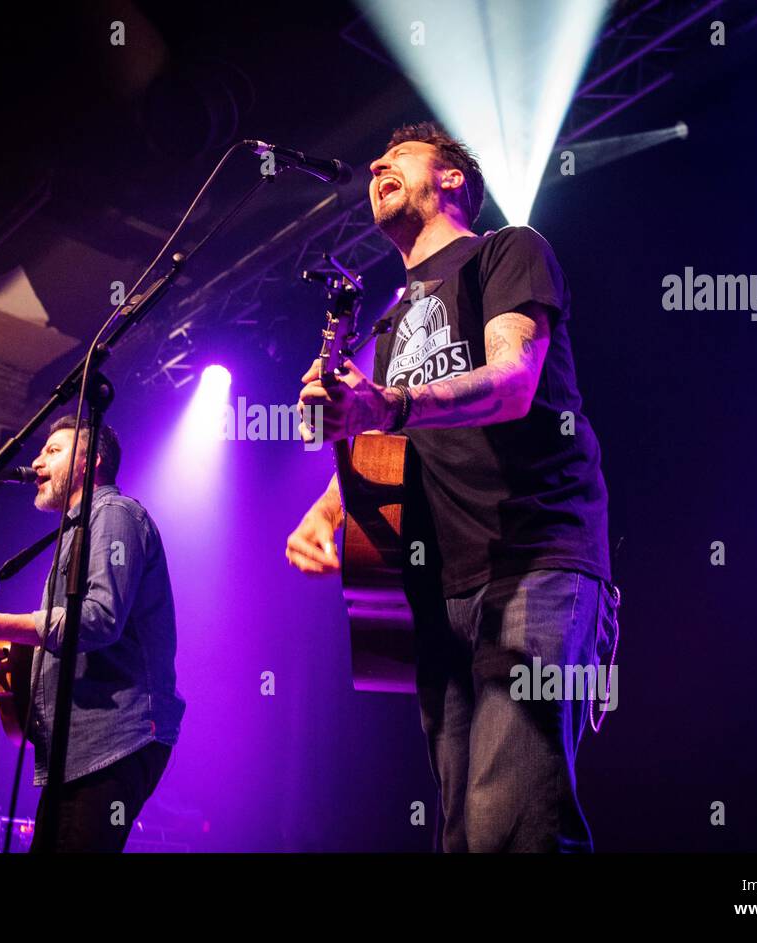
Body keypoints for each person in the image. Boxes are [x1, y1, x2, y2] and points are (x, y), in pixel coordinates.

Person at [286, 122, 618, 853]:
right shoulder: (385, 326)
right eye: (375, 159)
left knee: (515, 825)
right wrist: (326, 509)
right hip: (440, 588)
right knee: (465, 835)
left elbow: (512, 383)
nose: (376, 162)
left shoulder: (509, 250)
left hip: (537, 561)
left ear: (452, 179)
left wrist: (390, 402)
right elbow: (383, 443)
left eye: (398, 155)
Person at [0, 414, 184, 852]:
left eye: (53, 451)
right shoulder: (78, 533)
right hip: (77, 753)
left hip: (113, 741)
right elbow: (63, 645)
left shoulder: (113, 513)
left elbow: (99, 619)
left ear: (90, 461)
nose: (37, 462)